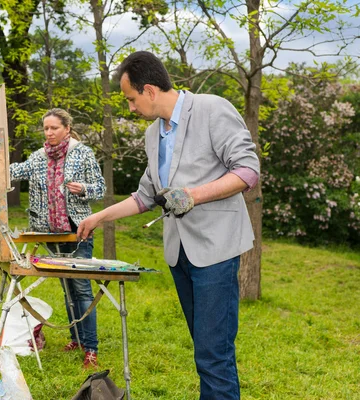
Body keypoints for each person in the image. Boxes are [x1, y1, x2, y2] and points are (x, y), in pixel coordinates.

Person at [77, 51, 260, 398]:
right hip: (180, 255)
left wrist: (193, 195)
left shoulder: (211, 109)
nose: (130, 108)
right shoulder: (152, 135)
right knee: (206, 350)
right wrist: (98, 217)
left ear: (149, 90)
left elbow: (247, 171)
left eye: (131, 99)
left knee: (213, 354)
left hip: (216, 251)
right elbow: (145, 196)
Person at [9, 108, 106, 368]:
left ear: (67, 128)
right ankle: (76, 338)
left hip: (78, 232)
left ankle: (91, 349)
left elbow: (100, 188)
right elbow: (14, 171)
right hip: (50, 233)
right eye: (46, 128)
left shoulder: (82, 153)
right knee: (67, 288)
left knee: (82, 289)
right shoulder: (39, 157)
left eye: (54, 128)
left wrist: (84, 189)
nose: (49, 133)